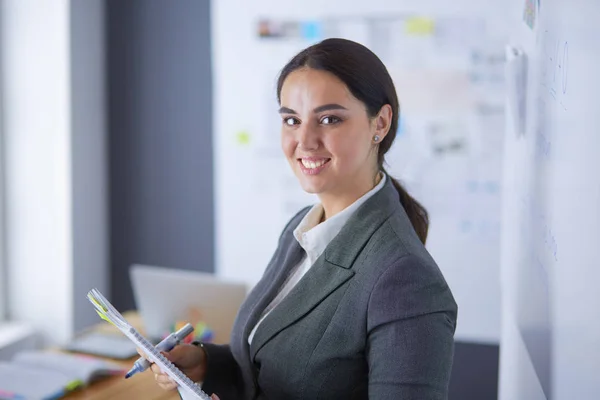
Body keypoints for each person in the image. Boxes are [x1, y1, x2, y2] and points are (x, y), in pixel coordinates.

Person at [143, 38, 458, 399]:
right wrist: (204, 364)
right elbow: (271, 366)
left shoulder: (406, 279)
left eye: (329, 119)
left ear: (381, 124)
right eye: (292, 120)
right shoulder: (301, 228)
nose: (305, 141)